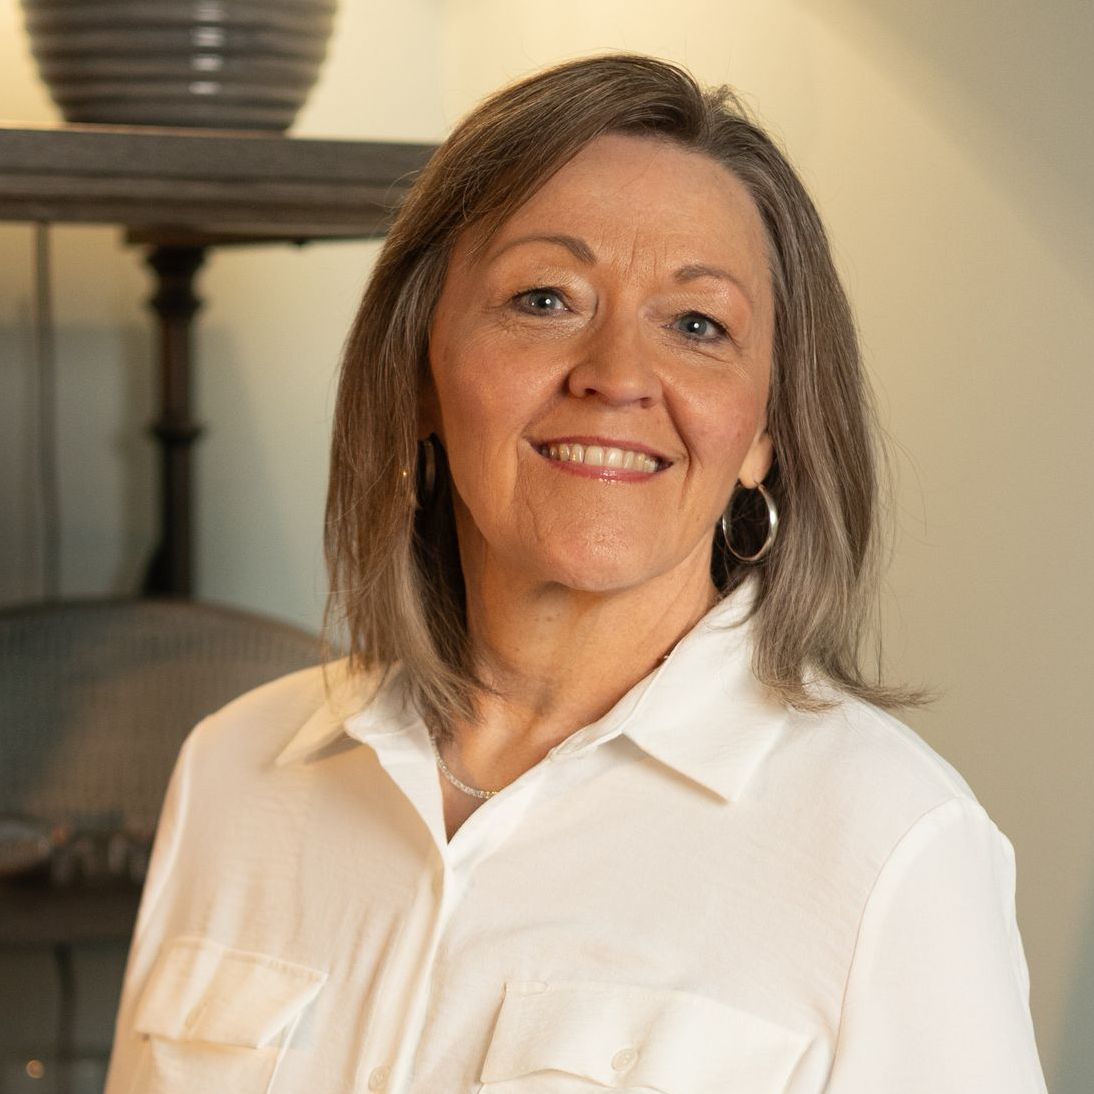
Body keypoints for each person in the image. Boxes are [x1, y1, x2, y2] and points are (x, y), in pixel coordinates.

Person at [104, 54, 1048, 1093]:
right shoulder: (233, 773)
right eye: (545, 298)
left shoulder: (891, 843)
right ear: (418, 371)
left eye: (697, 325)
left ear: (762, 433)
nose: (617, 375)